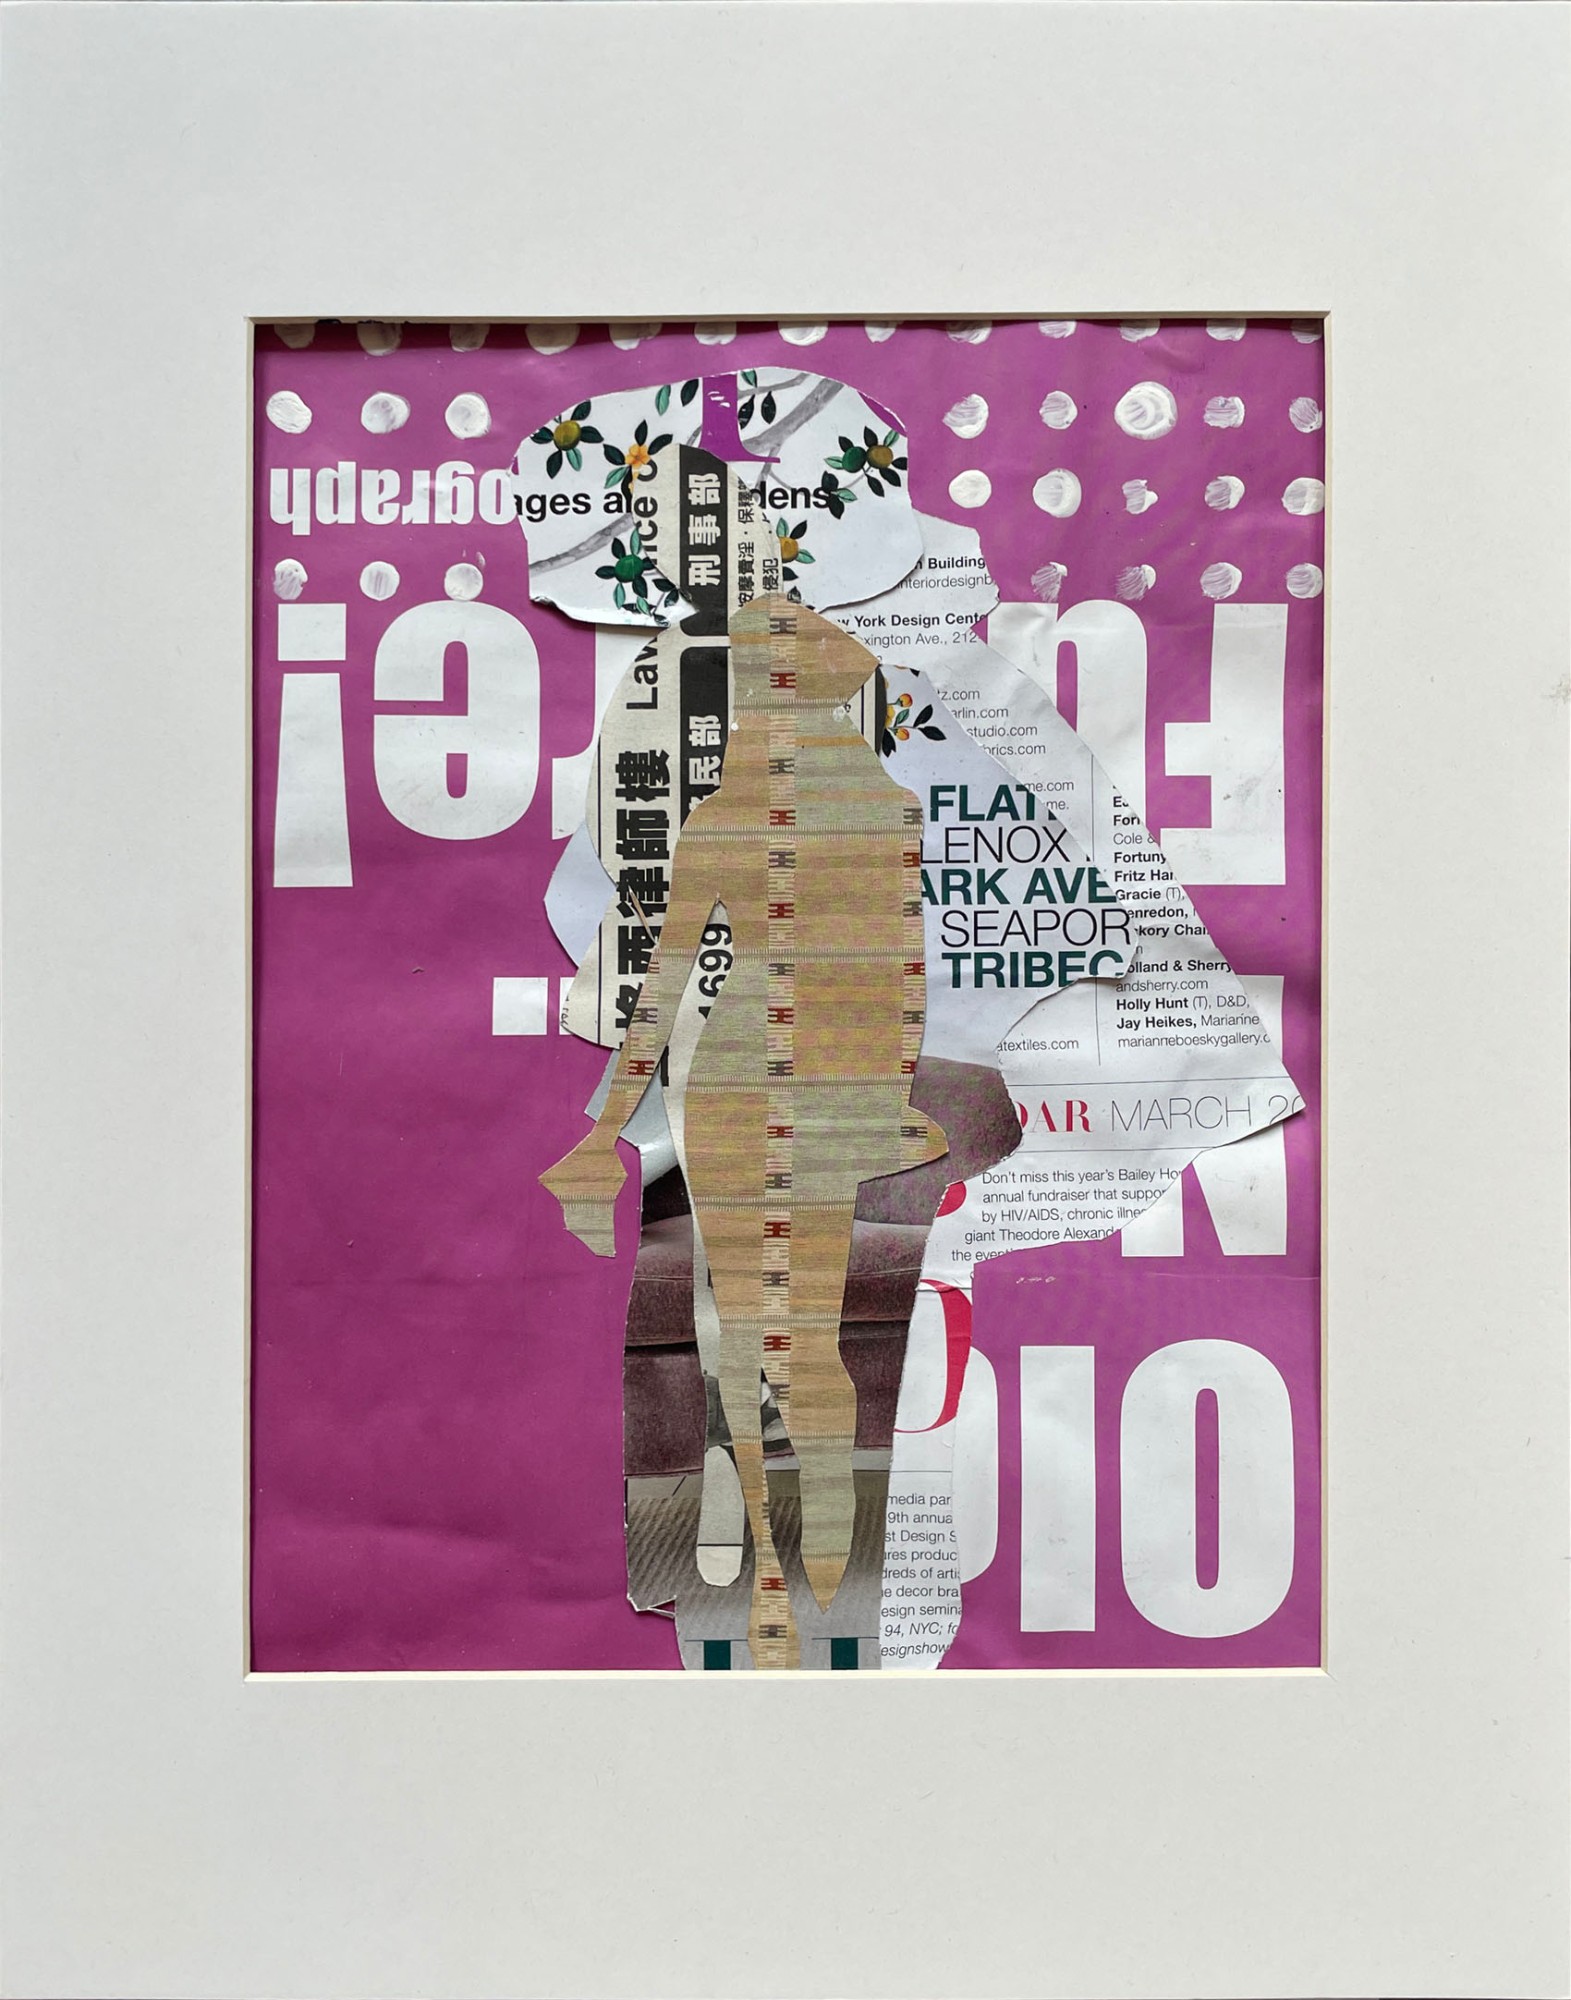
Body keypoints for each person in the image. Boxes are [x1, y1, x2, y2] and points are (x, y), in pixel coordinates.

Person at [542, 595, 946, 1670]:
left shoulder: (845, 814)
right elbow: (677, 983)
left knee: (774, 1332)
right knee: (767, 1331)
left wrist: (878, 1096)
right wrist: (602, 1124)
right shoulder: (796, 814)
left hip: (781, 1082)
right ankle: (783, 1556)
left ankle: (795, 1542)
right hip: (760, 1082)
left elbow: (886, 973)